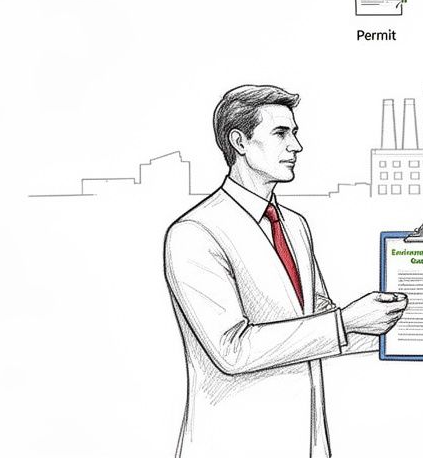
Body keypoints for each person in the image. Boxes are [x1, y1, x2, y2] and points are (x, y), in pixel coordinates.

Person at [163, 84, 408, 458]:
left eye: (294, 133)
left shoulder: (295, 226)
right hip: (232, 445)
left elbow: (325, 328)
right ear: (239, 141)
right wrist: (345, 321)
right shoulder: (194, 234)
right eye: (281, 133)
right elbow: (233, 351)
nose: (296, 146)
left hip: (306, 444)